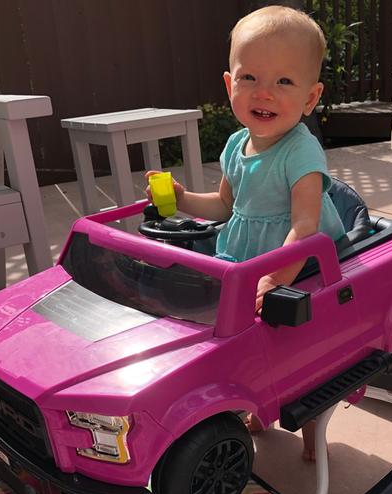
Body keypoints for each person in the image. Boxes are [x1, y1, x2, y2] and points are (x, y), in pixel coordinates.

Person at [146, 5, 344, 461]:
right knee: (242, 348)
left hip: (300, 264)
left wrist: (275, 278)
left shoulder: (302, 151)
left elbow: (306, 227)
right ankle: (253, 405)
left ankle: (314, 434)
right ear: (229, 85)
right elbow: (223, 206)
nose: (265, 93)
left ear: (311, 99)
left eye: (284, 82)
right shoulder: (236, 144)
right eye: (250, 77)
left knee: (302, 356)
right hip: (244, 261)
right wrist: (178, 198)